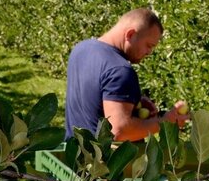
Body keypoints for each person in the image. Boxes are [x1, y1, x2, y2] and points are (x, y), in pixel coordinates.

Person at [64, 8, 189, 141]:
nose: (149, 52)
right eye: (148, 45)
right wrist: (165, 122)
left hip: (73, 154)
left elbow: (93, 98)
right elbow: (119, 131)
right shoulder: (119, 70)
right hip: (101, 160)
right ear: (130, 34)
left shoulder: (81, 49)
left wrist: (133, 102)